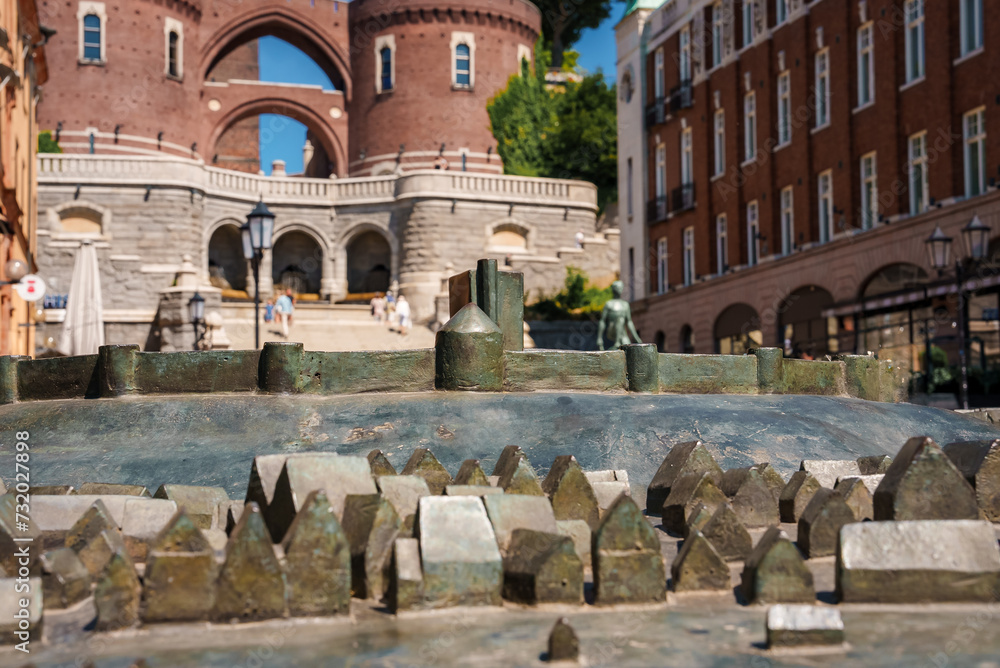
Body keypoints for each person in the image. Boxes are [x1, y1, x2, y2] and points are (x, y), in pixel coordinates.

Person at [597, 280, 641, 350]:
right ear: (614, 289)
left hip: (622, 332)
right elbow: (602, 321)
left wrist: (636, 338)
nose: (620, 289)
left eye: (621, 287)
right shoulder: (609, 304)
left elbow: (629, 322)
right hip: (612, 330)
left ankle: (618, 344)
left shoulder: (625, 304)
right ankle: (617, 343)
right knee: (620, 319)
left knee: (628, 347)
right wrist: (599, 338)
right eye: (618, 287)